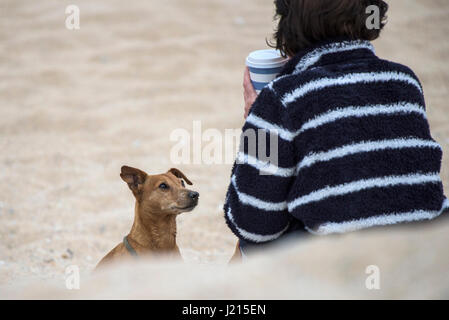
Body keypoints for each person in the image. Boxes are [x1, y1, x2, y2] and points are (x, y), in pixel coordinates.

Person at [224, 0, 448, 258]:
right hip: (425, 255)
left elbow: (254, 223)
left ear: (288, 25)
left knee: (250, 244)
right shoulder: (404, 81)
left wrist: (259, 120)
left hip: (343, 265)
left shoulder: (283, 97)